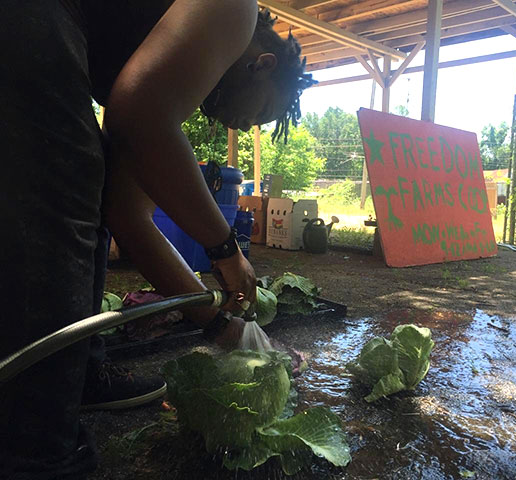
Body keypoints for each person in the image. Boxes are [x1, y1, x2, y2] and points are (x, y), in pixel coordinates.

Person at [0, 1, 314, 478]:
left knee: (92, 187)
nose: (247, 126)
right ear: (262, 65)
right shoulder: (235, 10)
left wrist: (221, 326)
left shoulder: (164, 84)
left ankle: (78, 376)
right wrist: (224, 247)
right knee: (64, 180)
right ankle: (33, 448)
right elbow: (139, 112)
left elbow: (127, 217)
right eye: (263, 112)